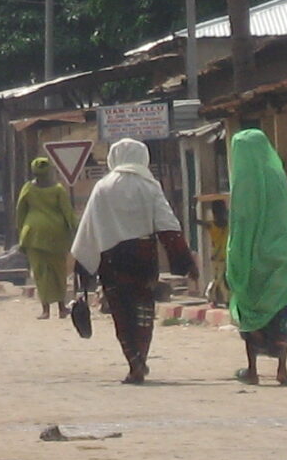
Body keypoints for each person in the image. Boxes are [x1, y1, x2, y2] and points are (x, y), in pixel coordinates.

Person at [69, 140, 194, 383]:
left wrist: (83, 268)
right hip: (144, 257)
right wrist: (184, 260)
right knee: (143, 309)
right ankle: (141, 357)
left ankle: (134, 360)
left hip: (112, 260)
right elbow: (167, 225)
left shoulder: (102, 187)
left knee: (121, 310)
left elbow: (89, 229)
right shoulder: (150, 186)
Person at [224, 129, 287, 387]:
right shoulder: (277, 174)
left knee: (250, 306)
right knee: (280, 307)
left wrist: (235, 254)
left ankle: (253, 369)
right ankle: (282, 370)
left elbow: (241, 221)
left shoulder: (243, 180)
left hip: (250, 255)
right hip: (280, 250)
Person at [14, 156, 76, 320]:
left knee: (41, 273)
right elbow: (68, 212)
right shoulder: (58, 189)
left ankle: (45, 310)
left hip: (33, 234)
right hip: (57, 234)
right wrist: (75, 230)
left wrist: (22, 232)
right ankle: (62, 309)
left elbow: (20, 212)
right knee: (59, 272)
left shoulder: (28, 188)